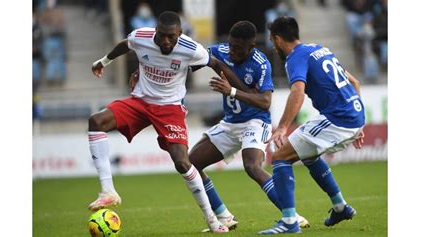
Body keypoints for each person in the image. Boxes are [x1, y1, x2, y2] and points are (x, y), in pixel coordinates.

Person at [87, 11, 249, 233]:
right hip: (141, 102)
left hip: (170, 109)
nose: (165, 41)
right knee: (96, 121)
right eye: (161, 35)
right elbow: (126, 44)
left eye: (171, 36)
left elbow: (217, 64)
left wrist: (239, 90)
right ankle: (108, 191)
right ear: (155, 31)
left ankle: (212, 219)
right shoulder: (141, 37)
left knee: (182, 162)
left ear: (180, 34)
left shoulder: (190, 49)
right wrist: (103, 61)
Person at [184, 20, 309, 231]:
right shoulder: (220, 51)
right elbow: (189, 59)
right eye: (231, 45)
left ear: (251, 47)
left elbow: (265, 102)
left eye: (238, 48)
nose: (232, 51)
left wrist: (231, 90)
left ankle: (292, 215)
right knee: (190, 164)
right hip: (230, 123)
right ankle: (223, 215)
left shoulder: (261, 64)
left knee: (252, 166)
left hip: (256, 121)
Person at [259, 16, 365, 234]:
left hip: (338, 119)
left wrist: (282, 127)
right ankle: (340, 207)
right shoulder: (319, 49)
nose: (273, 44)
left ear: (278, 39)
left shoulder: (294, 58)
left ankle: (289, 222)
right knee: (308, 155)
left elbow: (297, 91)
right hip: (354, 115)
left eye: (272, 40)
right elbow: (354, 82)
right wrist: (358, 122)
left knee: (279, 157)